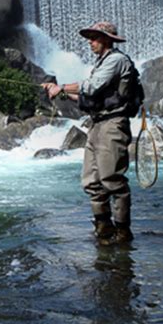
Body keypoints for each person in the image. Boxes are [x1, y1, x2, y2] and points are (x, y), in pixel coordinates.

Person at [42, 21, 134, 246]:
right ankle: (103, 230)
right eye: (90, 37)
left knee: (112, 180)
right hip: (96, 125)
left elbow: (91, 87)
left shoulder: (116, 60)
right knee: (92, 181)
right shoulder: (101, 63)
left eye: (94, 37)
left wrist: (61, 87)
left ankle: (123, 233)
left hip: (113, 125)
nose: (90, 42)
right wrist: (62, 95)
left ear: (107, 39)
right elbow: (89, 98)